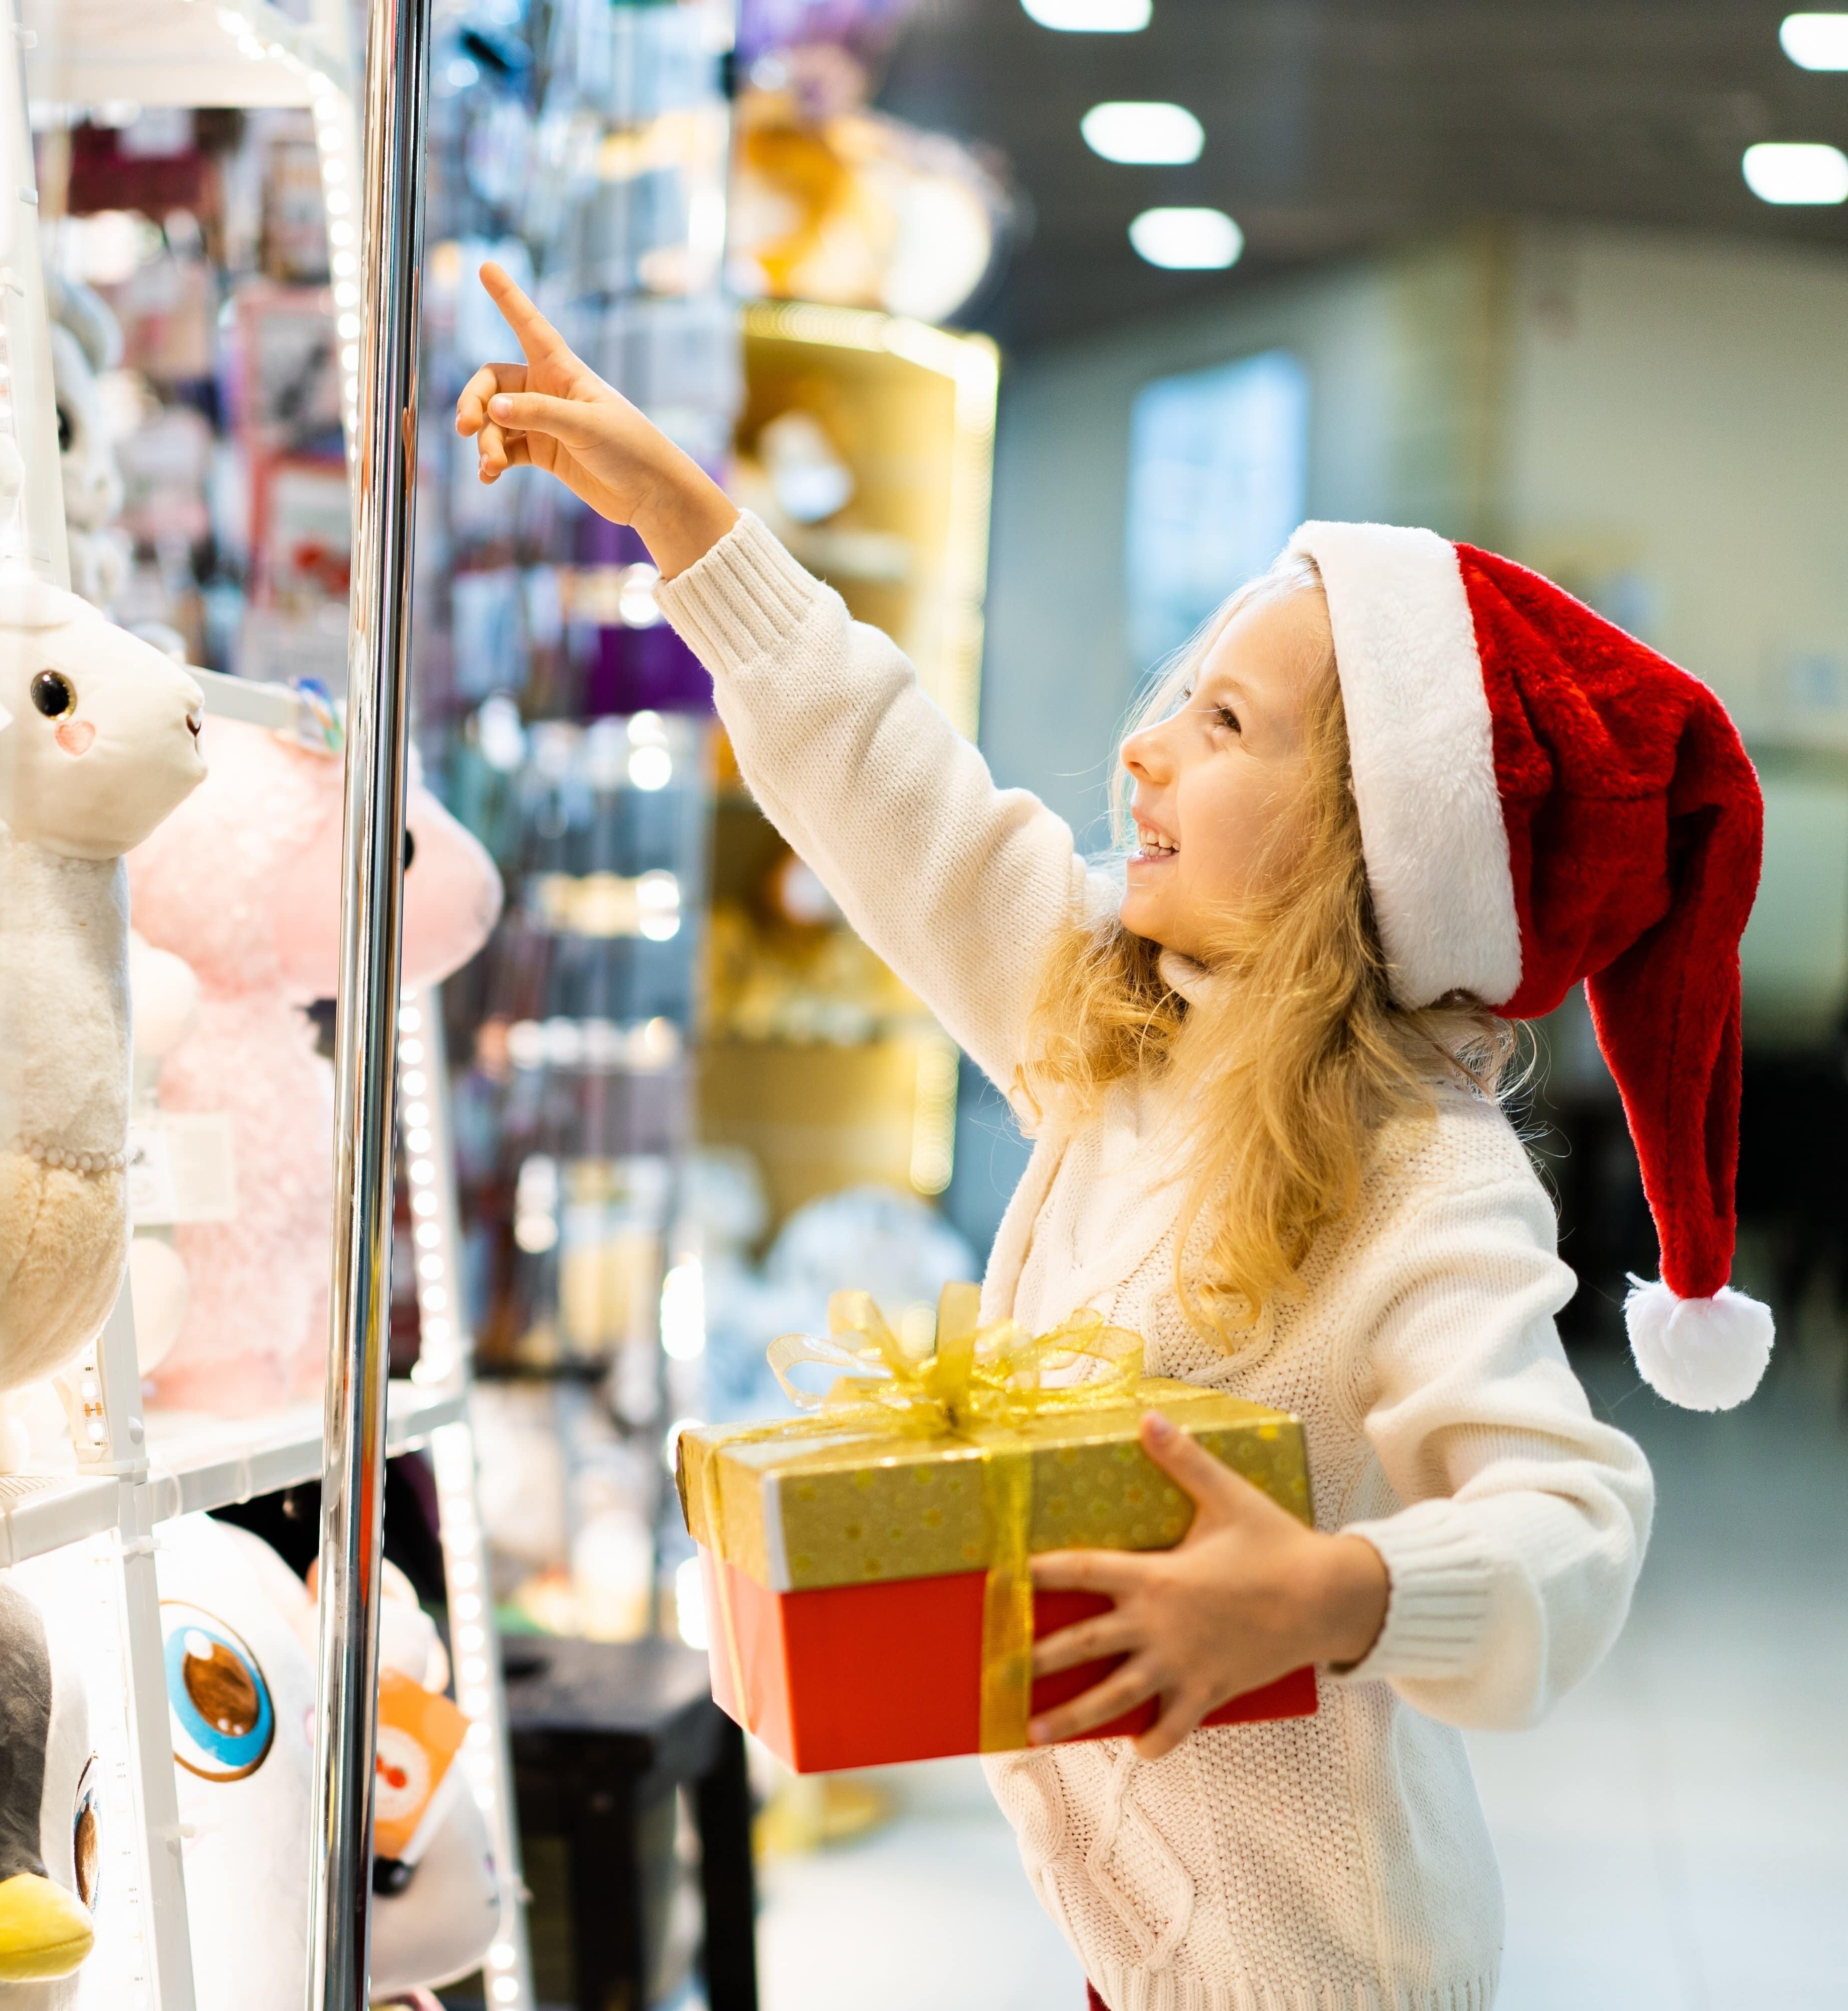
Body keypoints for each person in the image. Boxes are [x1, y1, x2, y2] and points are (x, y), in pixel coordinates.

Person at [454, 263, 1770, 2008]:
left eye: (1224, 724)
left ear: (1371, 855)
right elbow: (893, 785)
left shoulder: (1420, 1179)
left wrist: (1335, 1593)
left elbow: (1575, 1524)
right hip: (1128, 1964)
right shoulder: (1113, 1024)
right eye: (1178, 698)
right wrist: (686, 519)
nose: (1142, 751)